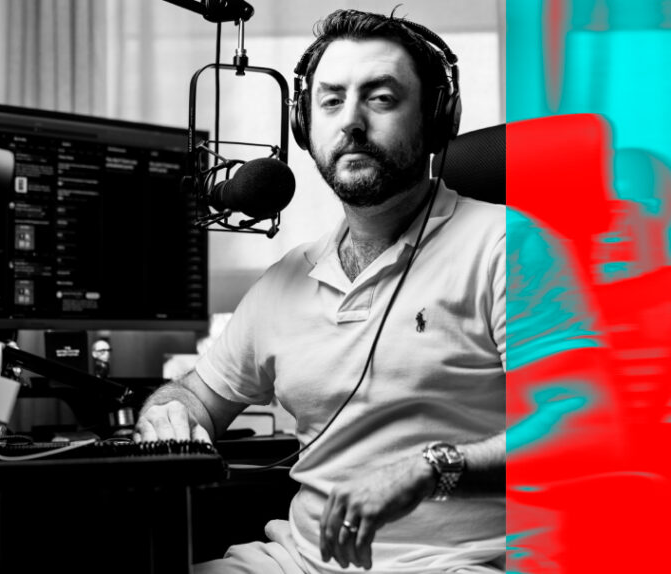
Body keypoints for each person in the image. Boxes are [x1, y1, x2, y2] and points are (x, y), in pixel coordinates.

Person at [133, 9, 605, 573]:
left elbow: (584, 429)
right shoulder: (287, 278)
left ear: (437, 120)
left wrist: (432, 467)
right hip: (294, 562)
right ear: (303, 125)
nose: (351, 122)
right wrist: (169, 413)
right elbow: (196, 396)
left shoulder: (510, 246)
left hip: (453, 564)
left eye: (381, 99)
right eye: (331, 101)